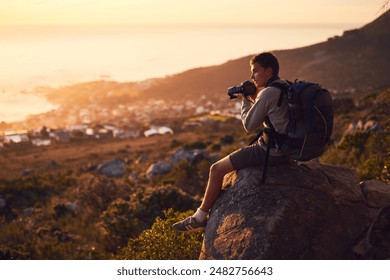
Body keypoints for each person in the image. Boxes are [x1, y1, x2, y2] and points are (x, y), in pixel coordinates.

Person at [172, 52, 290, 233]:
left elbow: (249, 126)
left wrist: (244, 101)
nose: (251, 77)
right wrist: (254, 100)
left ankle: (199, 218)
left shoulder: (267, 93)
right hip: (287, 150)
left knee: (216, 169)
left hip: (272, 151)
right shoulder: (284, 86)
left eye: (255, 71)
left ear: (268, 71)